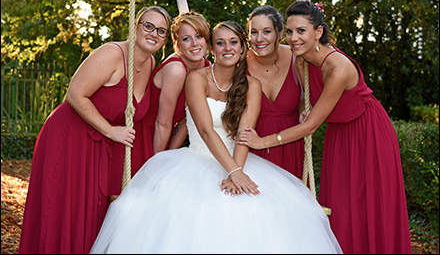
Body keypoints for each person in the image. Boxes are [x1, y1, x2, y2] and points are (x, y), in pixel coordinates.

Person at [89, 21, 342, 254]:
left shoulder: (252, 86)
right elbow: (206, 130)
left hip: (238, 159)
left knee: (265, 212)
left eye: (233, 42)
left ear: (243, 49)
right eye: (220, 43)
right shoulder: (195, 79)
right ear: (212, 49)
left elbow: (245, 133)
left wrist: (238, 170)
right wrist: (233, 172)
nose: (227, 48)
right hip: (197, 160)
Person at [237, 0, 412, 254]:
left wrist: (262, 141)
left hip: (368, 132)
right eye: (290, 31)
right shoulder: (302, 61)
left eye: (301, 31)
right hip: (339, 133)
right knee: (340, 207)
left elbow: (310, 127)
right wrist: (306, 109)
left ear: (318, 32)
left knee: (370, 205)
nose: (294, 38)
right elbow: (308, 104)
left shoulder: (337, 66)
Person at [18, 6, 172, 254]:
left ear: (166, 39)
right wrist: (111, 131)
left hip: (101, 147)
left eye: (161, 31)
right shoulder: (112, 54)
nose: (153, 33)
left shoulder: (152, 63)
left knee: (93, 214)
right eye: (148, 26)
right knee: (66, 212)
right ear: (136, 25)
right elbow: (75, 94)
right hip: (71, 138)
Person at [131, 11, 211, 174]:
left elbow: (188, 121)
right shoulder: (176, 69)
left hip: (165, 138)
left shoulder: (206, 67)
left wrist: (170, 156)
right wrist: (156, 165)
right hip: (144, 135)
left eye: (199, 36)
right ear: (177, 44)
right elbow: (162, 123)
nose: (194, 44)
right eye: (186, 39)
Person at [245, 5, 305, 179]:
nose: (259, 38)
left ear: (280, 34)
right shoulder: (239, 63)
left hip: (291, 145)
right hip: (252, 148)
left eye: (266, 31)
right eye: (254, 32)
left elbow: (303, 100)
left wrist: (303, 114)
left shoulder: (298, 59)